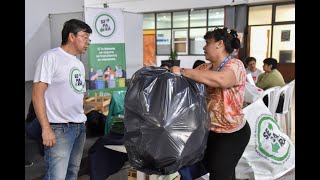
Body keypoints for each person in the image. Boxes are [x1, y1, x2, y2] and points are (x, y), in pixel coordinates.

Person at [171, 27, 251, 180]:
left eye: (207, 42)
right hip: (209, 132)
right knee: (222, 171)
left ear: (219, 44)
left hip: (231, 134)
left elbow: (221, 80)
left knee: (220, 173)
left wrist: (182, 70)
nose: (204, 47)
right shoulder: (204, 67)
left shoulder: (235, 65)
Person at [32, 19, 92, 180]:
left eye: (89, 38)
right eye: (85, 37)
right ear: (71, 36)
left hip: (79, 127)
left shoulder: (78, 64)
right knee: (56, 177)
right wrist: (46, 128)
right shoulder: (50, 57)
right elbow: (37, 94)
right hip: (59, 129)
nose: (88, 42)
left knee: (72, 174)